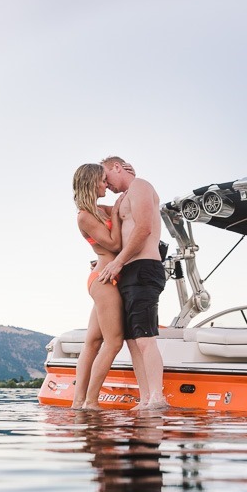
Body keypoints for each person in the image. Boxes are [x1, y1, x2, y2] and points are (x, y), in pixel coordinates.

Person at [98, 156, 167, 410]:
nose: (107, 183)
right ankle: (145, 398)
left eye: (107, 176)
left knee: (145, 337)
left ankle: (157, 397)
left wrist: (118, 263)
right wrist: (106, 261)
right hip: (128, 271)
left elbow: (144, 228)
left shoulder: (140, 186)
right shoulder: (121, 199)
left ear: (117, 167)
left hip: (143, 268)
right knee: (133, 340)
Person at [71, 163, 124, 410]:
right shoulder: (85, 216)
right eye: (103, 180)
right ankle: (91, 401)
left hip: (103, 276)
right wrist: (116, 215)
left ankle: (77, 401)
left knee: (92, 342)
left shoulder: (100, 209)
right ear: (92, 182)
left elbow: (127, 206)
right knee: (114, 342)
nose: (106, 185)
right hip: (104, 280)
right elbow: (114, 245)